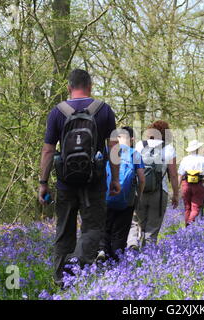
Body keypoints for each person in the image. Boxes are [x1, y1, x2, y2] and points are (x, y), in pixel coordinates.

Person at [38, 69, 120, 287]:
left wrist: (43, 183)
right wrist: (116, 179)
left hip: (65, 181)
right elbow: (114, 148)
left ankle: (60, 279)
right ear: (90, 86)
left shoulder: (57, 112)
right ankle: (79, 266)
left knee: (64, 228)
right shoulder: (104, 111)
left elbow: (47, 151)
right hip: (95, 181)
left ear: (68, 87)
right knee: (93, 227)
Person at [127, 120, 179, 248]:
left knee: (136, 221)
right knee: (152, 227)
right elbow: (172, 174)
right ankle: (148, 256)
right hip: (160, 192)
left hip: (140, 191)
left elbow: (131, 167)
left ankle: (132, 244)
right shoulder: (169, 148)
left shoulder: (139, 145)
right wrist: (176, 194)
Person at [99, 127, 145, 261]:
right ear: (130, 140)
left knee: (105, 227)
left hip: (106, 196)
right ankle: (117, 260)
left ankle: (102, 253)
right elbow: (142, 179)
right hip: (127, 199)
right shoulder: (134, 154)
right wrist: (139, 197)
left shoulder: (107, 151)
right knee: (121, 232)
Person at [178, 140, 204, 226]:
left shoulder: (184, 159)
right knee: (196, 208)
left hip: (186, 184)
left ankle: (186, 226)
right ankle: (189, 223)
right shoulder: (203, 159)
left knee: (187, 208)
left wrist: (177, 188)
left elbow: (180, 175)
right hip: (198, 185)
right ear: (198, 149)